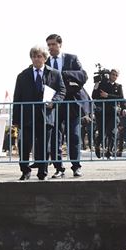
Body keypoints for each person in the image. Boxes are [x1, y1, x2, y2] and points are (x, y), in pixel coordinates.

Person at [12, 45, 66, 180]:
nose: (36, 59)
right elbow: (17, 98)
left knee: (44, 146)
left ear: (45, 58)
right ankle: (25, 171)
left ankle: (43, 172)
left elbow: (62, 90)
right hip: (27, 116)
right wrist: (16, 119)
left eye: (39, 56)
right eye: (34, 56)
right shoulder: (22, 76)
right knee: (25, 146)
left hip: (46, 115)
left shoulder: (54, 73)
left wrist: (54, 101)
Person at [46, 34, 89, 177]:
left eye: (53, 44)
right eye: (49, 45)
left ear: (60, 44)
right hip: (54, 104)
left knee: (74, 136)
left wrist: (64, 74)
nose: (51, 47)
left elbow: (83, 76)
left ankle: (76, 166)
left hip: (72, 103)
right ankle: (59, 168)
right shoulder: (45, 62)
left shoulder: (72, 58)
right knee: (55, 137)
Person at [93, 69, 123, 160]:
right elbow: (94, 95)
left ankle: (109, 151)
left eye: (116, 75)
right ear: (109, 75)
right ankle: (97, 145)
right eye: (113, 74)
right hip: (101, 112)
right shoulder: (102, 84)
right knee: (101, 132)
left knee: (111, 132)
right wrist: (96, 84)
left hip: (112, 113)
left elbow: (121, 98)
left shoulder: (118, 86)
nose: (114, 76)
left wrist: (108, 96)